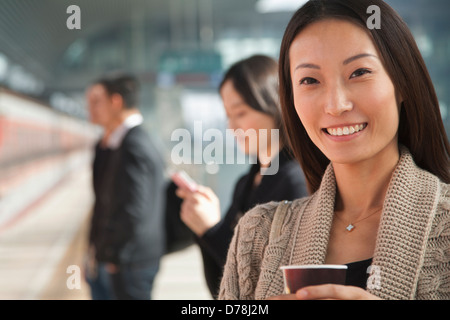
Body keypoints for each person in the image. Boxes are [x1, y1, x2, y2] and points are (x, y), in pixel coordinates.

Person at [219, 0, 450, 300]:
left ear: (402, 82)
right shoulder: (258, 235)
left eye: (359, 72)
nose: (336, 105)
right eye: (310, 80)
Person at [176, 55, 308, 299]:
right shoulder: (246, 182)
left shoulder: (296, 180)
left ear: (274, 106)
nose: (231, 127)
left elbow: (271, 280)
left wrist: (212, 229)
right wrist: (204, 227)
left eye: (241, 113)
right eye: (228, 115)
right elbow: (222, 283)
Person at [85, 74, 166, 300]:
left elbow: (134, 210)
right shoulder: (119, 143)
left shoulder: (133, 145)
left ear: (116, 102)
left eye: (96, 102)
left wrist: (113, 256)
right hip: (124, 259)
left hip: (129, 262)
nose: (89, 109)